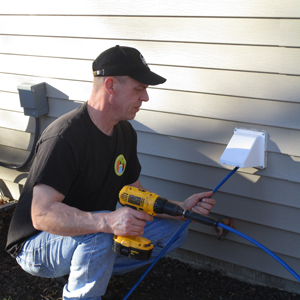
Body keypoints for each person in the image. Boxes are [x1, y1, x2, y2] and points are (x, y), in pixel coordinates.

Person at [6, 45, 216, 300]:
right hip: (37, 245)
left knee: (175, 230)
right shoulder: (65, 137)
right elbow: (41, 215)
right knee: (101, 233)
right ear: (111, 86)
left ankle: (94, 270)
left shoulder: (124, 132)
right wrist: (107, 222)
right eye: (139, 89)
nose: (146, 98)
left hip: (90, 233)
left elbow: (135, 194)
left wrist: (180, 209)